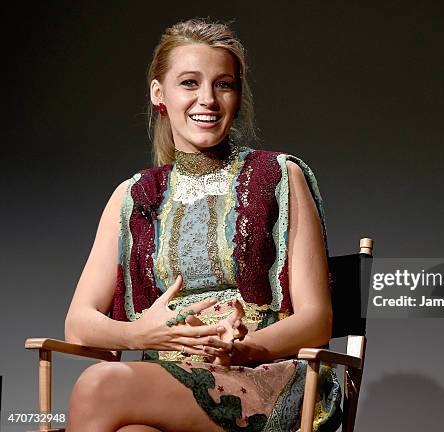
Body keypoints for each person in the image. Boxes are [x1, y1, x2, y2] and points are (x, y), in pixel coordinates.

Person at [64, 17, 342, 432]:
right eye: (189, 83)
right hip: (166, 379)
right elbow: (78, 324)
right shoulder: (133, 195)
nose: (207, 99)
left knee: (98, 386)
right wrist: (139, 335)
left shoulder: (278, 177)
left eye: (223, 84)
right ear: (160, 94)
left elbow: (317, 319)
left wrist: (246, 346)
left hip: (261, 377)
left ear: (237, 94)